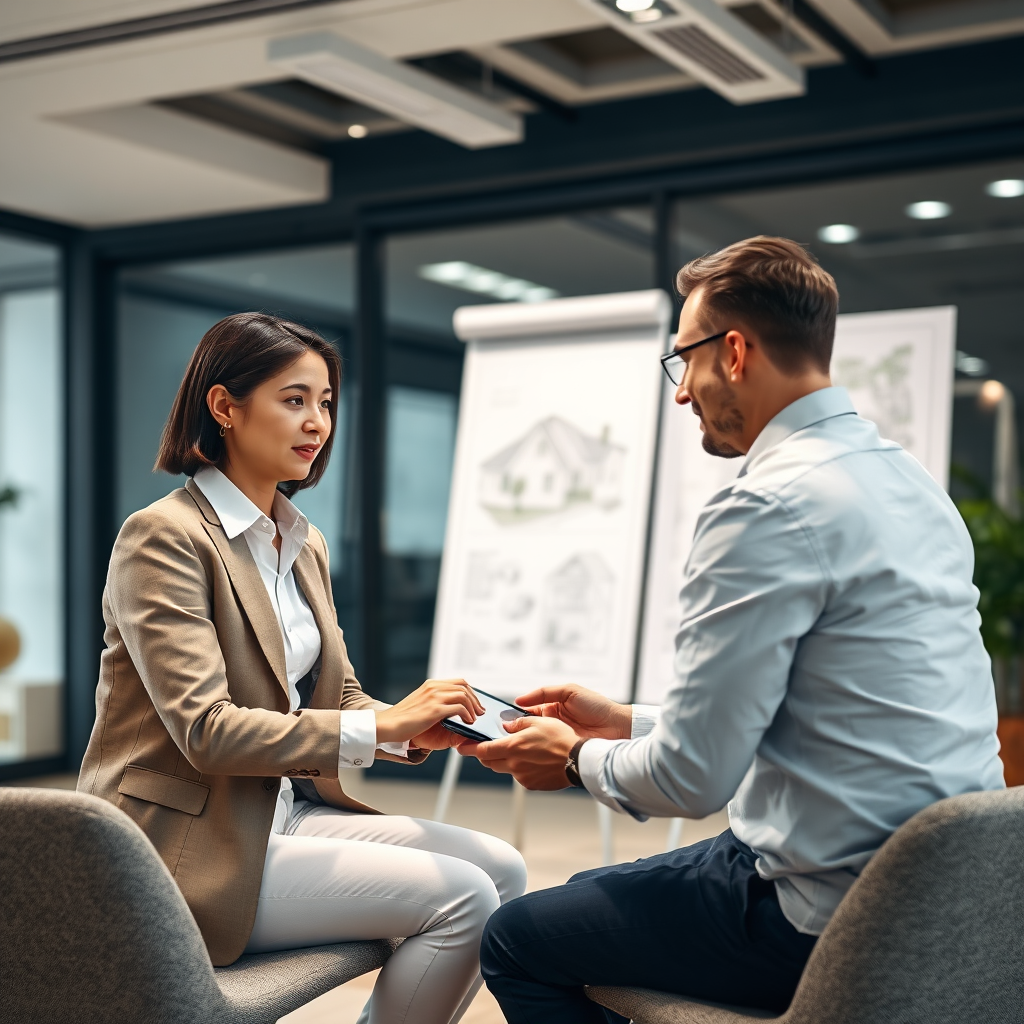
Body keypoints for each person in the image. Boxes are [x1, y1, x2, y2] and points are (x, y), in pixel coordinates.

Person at [461, 236, 1005, 1022]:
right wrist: (625, 721)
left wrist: (575, 759)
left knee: (518, 938)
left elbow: (692, 781)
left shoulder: (767, 507)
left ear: (736, 351)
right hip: (951, 890)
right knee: (584, 897)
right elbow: (823, 711)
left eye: (684, 361)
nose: (681, 393)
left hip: (829, 915)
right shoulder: (910, 481)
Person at [77, 312, 526, 1024]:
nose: (317, 422)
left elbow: (333, 690)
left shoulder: (300, 538)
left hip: (284, 811)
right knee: (462, 897)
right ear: (224, 407)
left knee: (505, 869)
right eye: (294, 400)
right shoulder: (163, 537)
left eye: (325, 402)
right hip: (184, 843)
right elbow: (207, 730)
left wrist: (407, 730)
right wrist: (375, 726)